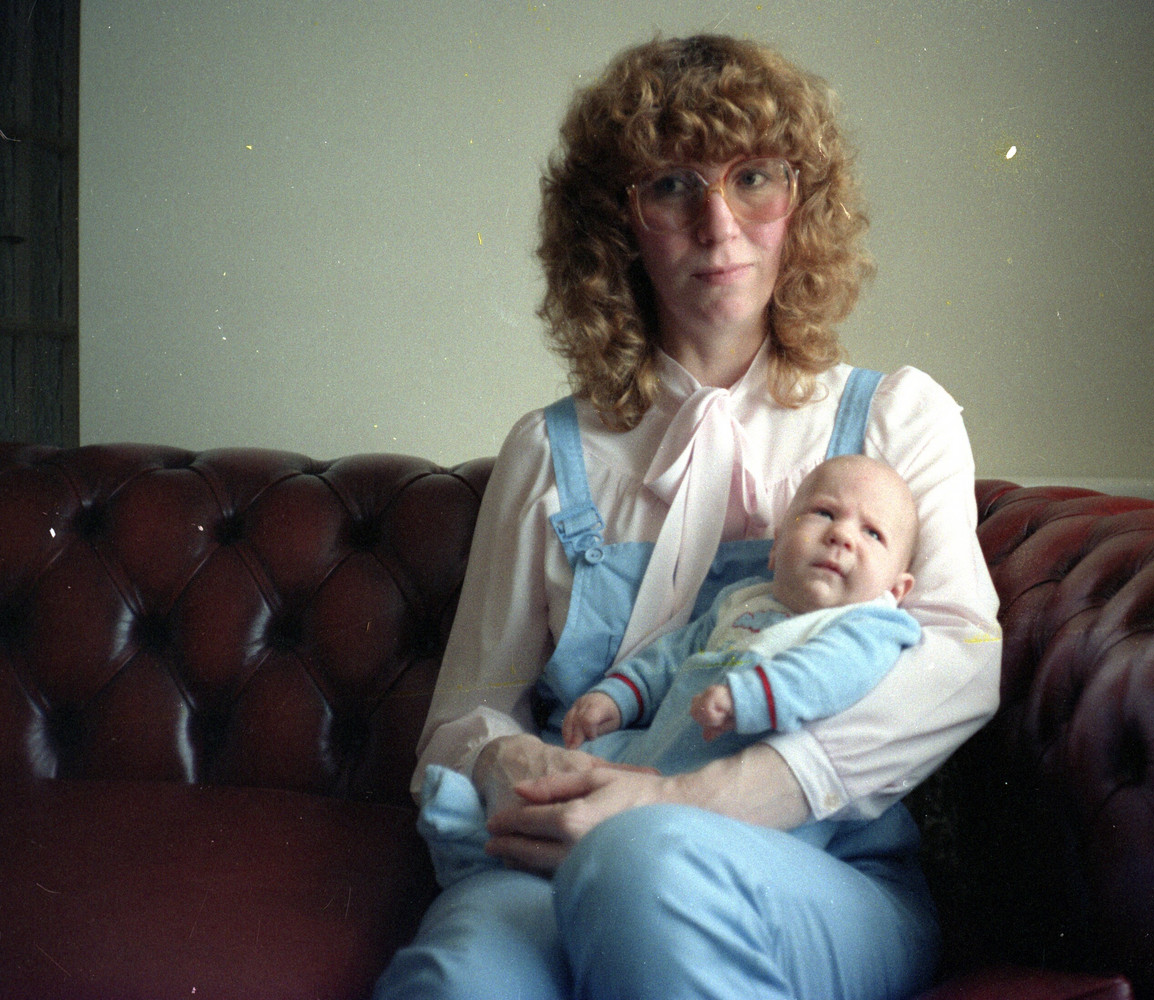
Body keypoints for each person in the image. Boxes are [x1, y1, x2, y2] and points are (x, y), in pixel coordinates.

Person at [375, 33, 1002, 1000]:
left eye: (753, 177)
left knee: (647, 863)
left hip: (822, 870)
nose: (718, 224)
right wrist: (512, 765)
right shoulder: (548, 451)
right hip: (557, 856)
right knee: (457, 982)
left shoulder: (893, 418)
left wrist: (682, 800)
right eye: (671, 186)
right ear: (616, 226)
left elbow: (961, 660)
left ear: (803, 204)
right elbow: (465, 712)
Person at [559, 454, 923, 777]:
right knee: (568, 765)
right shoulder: (741, 600)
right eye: (824, 513)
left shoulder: (872, 625)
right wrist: (619, 696)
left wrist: (751, 697)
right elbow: (672, 656)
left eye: (873, 533)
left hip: (745, 793)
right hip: (654, 755)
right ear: (776, 547)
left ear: (896, 590)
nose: (841, 534)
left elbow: (832, 672)